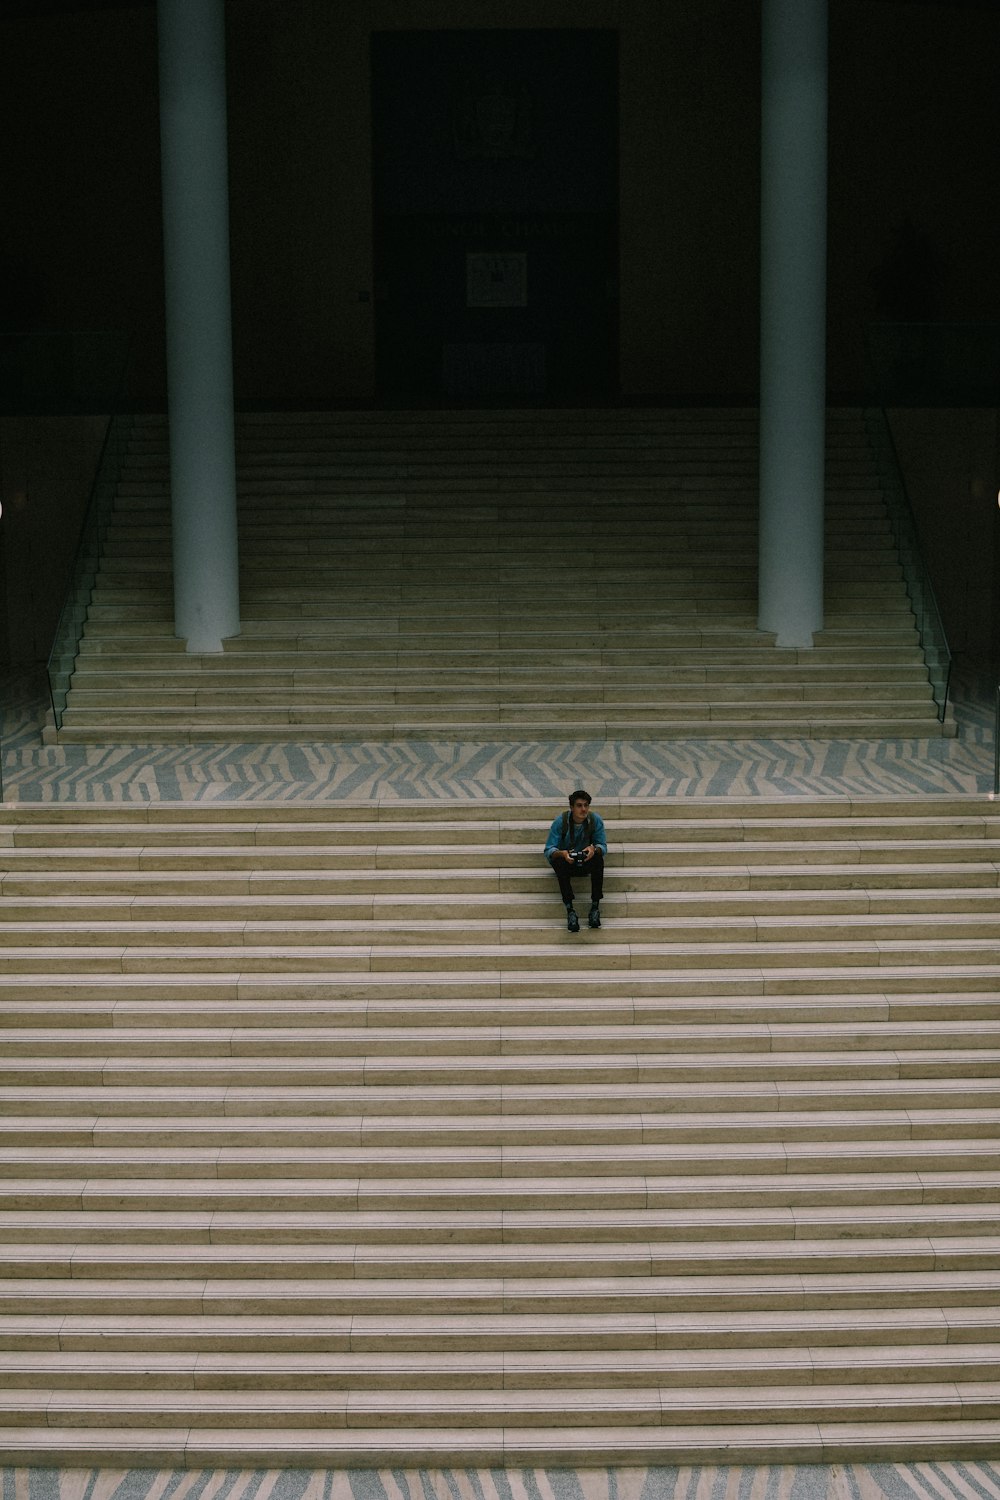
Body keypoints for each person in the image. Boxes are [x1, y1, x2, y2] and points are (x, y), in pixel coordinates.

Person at [543, 788, 606, 932]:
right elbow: (548, 850)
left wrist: (593, 850)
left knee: (598, 859)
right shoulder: (561, 822)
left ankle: (595, 908)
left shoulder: (595, 820)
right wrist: (563, 854)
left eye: (586, 805)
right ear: (571, 807)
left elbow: (603, 846)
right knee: (558, 862)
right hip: (567, 862)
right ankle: (570, 910)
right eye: (579, 805)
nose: (583, 809)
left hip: (585, 861)